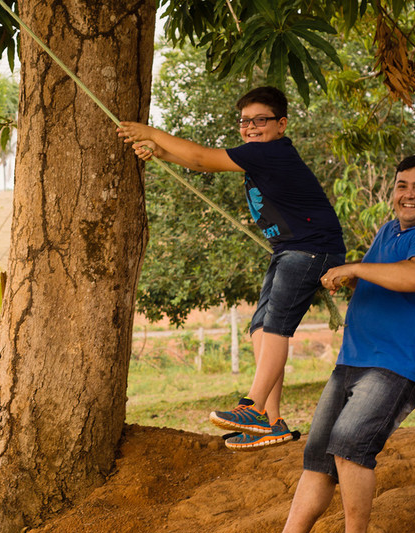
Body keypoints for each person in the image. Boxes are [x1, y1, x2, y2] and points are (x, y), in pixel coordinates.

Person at [223, 155, 415, 533]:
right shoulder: (389, 231)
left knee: (351, 444)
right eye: (402, 184)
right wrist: (349, 279)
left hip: (396, 364)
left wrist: (354, 268)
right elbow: (383, 276)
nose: (408, 194)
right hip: (353, 360)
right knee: (318, 457)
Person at [118, 86, 346, 450]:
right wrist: (160, 151)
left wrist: (152, 133)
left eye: (261, 120)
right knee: (260, 329)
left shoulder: (271, 152)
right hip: (289, 249)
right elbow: (197, 161)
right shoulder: (258, 155)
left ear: (281, 125)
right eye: (245, 121)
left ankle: (252, 407)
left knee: (276, 327)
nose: (252, 127)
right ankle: (272, 423)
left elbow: (203, 158)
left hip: (311, 249)